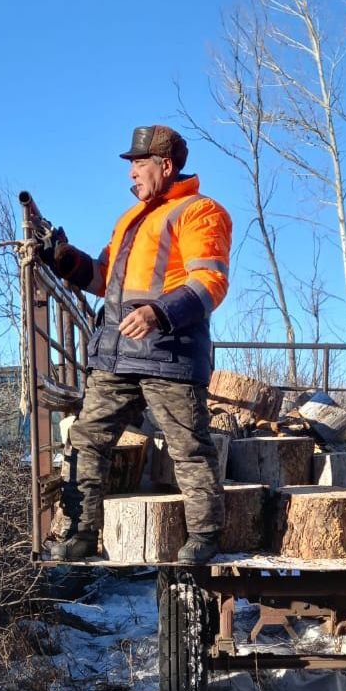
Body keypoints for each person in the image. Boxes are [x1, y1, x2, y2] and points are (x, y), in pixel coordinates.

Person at [41, 124, 231, 564]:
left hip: (170, 354)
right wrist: (65, 258)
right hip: (116, 354)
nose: (131, 176)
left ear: (164, 166)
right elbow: (103, 278)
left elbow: (211, 282)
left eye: (138, 165)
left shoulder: (201, 212)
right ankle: (80, 532)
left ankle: (205, 536)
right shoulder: (130, 219)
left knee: (188, 446)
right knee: (86, 439)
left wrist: (159, 313)